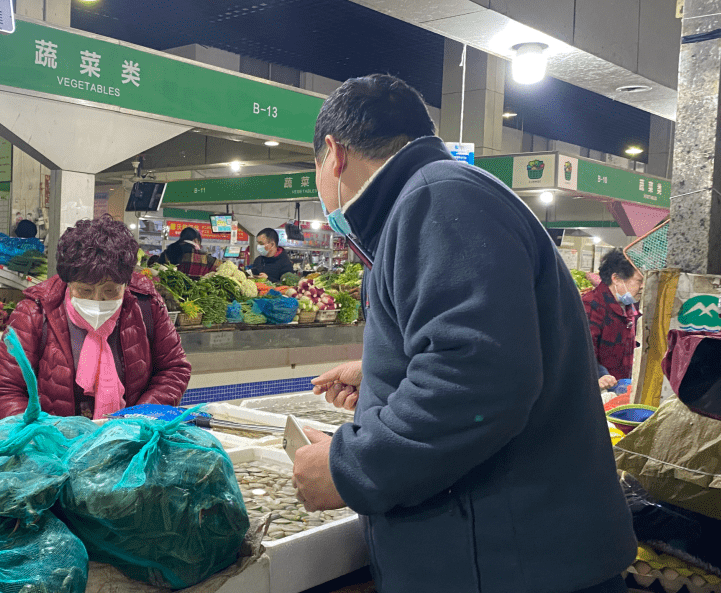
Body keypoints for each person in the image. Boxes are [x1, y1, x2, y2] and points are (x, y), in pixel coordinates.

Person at [292, 74, 635, 593]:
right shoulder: (439, 196)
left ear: (334, 155)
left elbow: (478, 380)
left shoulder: (437, 199)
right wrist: (387, 373)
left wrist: (347, 468)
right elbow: (497, 348)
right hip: (511, 555)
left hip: (508, 564)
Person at [0, 215, 191, 419]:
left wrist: (140, 419)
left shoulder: (146, 305)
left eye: (110, 291)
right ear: (68, 282)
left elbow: (173, 369)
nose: (97, 301)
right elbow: (5, 391)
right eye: (85, 290)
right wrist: (39, 437)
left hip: (130, 440)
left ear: (126, 284)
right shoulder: (33, 313)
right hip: (55, 446)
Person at [583, 249, 644, 383]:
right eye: (639, 281)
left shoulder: (629, 305)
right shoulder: (591, 306)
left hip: (622, 385)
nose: (643, 287)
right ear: (616, 279)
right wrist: (600, 375)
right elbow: (583, 352)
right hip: (599, 389)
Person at [154, 227, 219, 279]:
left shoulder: (168, 252)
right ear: (196, 240)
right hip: (197, 293)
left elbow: (155, 269)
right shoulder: (204, 256)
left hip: (168, 292)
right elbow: (222, 267)